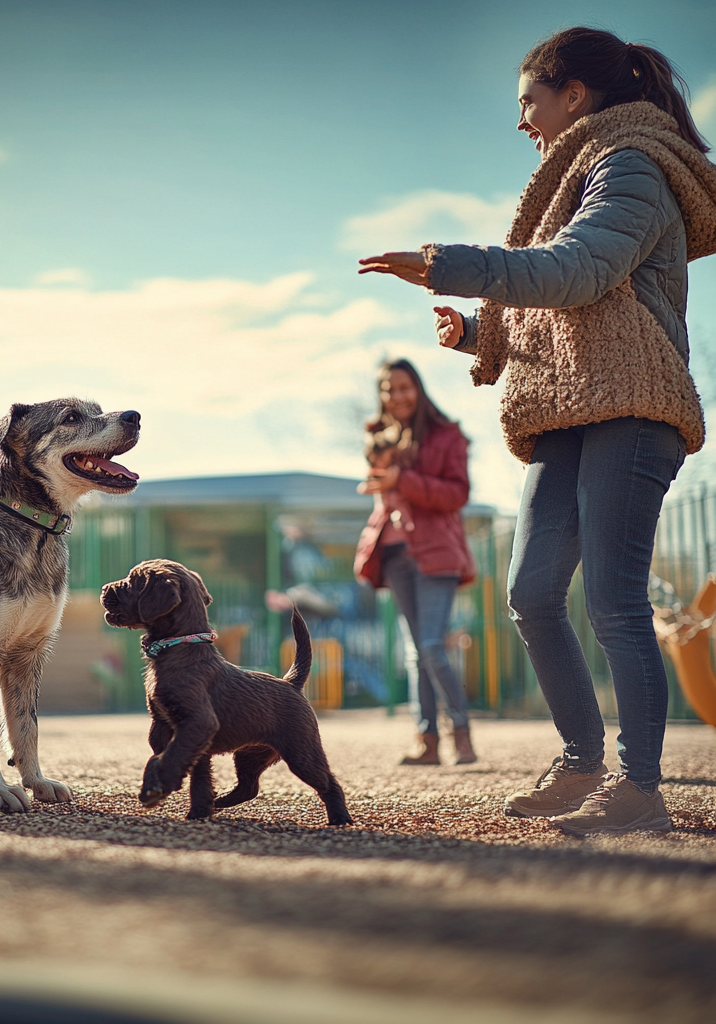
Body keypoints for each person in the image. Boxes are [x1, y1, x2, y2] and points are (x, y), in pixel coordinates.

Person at [359, 27, 716, 835]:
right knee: (529, 593)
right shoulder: (583, 171)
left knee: (618, 604)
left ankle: (640, 788)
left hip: (632, 406)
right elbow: (570, 311)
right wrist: (481, 332)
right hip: (566, 407)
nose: (522, 120)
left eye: (529, 101)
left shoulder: (631, 165)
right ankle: (583, 759)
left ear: (575, 97)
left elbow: (579, 270)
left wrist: (448, 262)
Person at [354, 359, 477, 766]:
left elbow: (457, 494)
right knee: (413, 653)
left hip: (436, 551)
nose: (398, 395)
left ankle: (461, 733)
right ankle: (426, 741)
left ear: (418, 389)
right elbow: (384, 495)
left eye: (405, 387)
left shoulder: (447, 435)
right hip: (392, 553)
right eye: (390, 389)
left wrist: (400, 481)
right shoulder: (378, 435)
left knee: (430, 646)